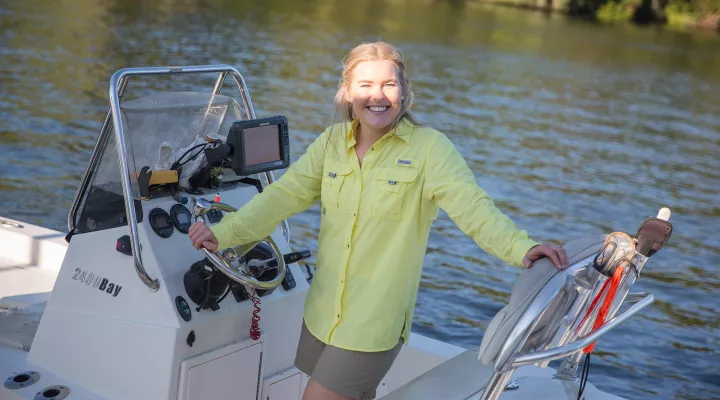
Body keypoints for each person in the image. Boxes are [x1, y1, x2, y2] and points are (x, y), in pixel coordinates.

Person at [189, 41, 568, 400]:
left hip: (373, 324)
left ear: (404, 91)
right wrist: (222, 234)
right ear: (347, 93)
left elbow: (474, 209)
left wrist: (523, 247)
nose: (378, 95)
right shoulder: (331, 142)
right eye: (366, 84)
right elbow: (280, 197)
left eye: (389, 84)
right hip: (323, 313)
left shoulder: (430, 149)